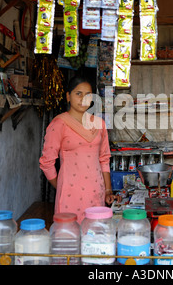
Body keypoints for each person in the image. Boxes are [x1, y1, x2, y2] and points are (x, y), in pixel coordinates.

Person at [39, 76, 119, 223]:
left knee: (94, 236)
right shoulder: (59, 124)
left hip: (96, 192)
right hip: (70, 195)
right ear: (68, 96)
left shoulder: (99, 124)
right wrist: (63, 187)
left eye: (88, 95)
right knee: (70, 237)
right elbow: (46, 162)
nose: (83, 99)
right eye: (78, 94)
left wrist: (108, 190)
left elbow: (104, 158)